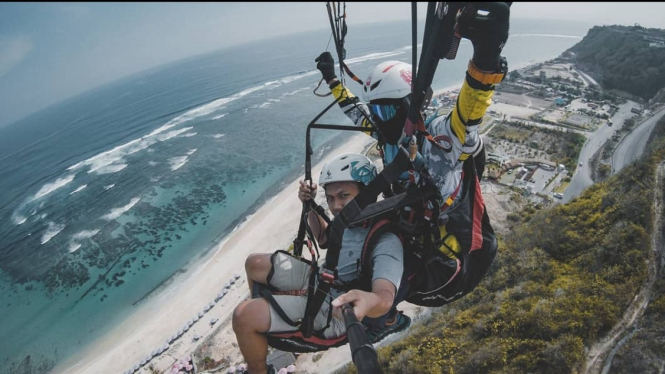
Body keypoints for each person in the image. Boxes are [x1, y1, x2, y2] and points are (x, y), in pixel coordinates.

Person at [312, 3, 509, 306]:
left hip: (446, 260)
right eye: (376, 110)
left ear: (406, 105)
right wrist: (332, 81)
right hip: (417, 239)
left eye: (385, 109)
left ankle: (381, 312)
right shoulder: (390, 138)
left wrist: (486, 58)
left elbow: (469, 113)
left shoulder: (441, 137)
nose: (378, 118)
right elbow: (357, 112)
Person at [232, 153, 410, 374]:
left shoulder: (385, 240)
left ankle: (256, 369)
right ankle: (269, 321)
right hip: (323, 279)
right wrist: (309, 205)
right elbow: (326, 239)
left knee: (243, 317)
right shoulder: (351, 220)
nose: (336, 206)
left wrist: (369, 301)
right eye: (331, 198)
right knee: (254, 263)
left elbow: (384, 296)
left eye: (343, 195)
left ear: (367, 193)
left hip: (337, 310)